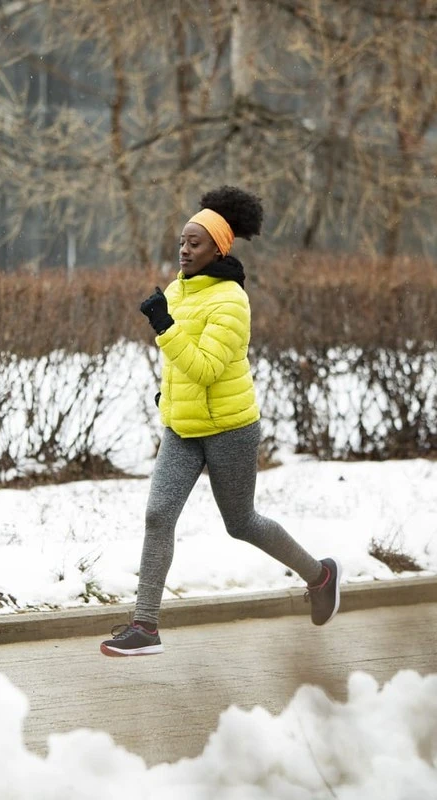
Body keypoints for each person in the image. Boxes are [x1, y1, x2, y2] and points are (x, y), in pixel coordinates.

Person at [100, 186, 342, 657]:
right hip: (183, 429)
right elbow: (180, 367)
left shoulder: (232, 300)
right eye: (182, 242)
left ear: (218, 249)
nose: (184, 250)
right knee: (157, 515)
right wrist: (169, 397)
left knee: (241, 523)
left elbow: (208, 368)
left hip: (230, 429)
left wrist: (165, 328)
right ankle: (145, 626)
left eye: (195, 243)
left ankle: (320, 576)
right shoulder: (177, 290)